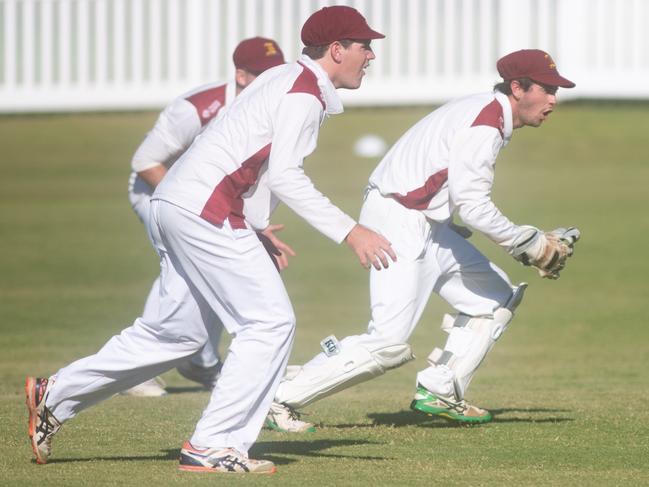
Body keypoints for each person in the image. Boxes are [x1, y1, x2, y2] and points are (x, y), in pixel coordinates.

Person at [26, 5, 395, 474]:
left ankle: (55, 394)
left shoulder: (284, 78)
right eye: (365, 47)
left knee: (176, 333)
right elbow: (284, 175)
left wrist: (254, 225)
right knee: (269, 323)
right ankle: (213, 445)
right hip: (205, 209)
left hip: (177, 203)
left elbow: (247, 153)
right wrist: (351, 230)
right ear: (338, 49)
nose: (371, 56)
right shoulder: (303, 93)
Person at [273, 49, 580, 425]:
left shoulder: (486, 110)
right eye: (546, 89)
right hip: (400, 221)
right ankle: (280, 397)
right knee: (388, 341)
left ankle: (441, 388)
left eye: (555, 90)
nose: (553, 100)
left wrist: (457, 223)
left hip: (424, 222)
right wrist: (531, 244)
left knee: (494, 298)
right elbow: (474, 206)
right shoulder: (485, 124)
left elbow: (444, 185)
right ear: (517, 88)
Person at [122, 36, 290, 397]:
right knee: (184, 268)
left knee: (214, 268)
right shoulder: (196, 107)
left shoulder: (276, 104)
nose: (274, 81)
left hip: (212, 201)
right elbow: (145, 163)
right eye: (263, 74)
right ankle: (142, 368)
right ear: (241, 75)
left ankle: (199, 362)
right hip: (156, 192)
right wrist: (188, 202)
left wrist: (253, 219)